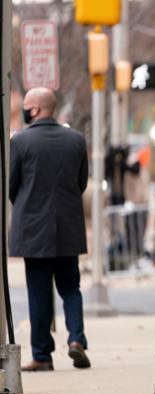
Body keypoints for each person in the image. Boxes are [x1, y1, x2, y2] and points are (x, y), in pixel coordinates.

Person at [10, 87, 91, 371]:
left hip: (34, 231)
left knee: (39, 293)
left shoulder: (20, 142)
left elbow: (12, 186)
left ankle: (42, 356)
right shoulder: (76, 140)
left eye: (27, 105)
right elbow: (81, 183)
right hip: (68, 228)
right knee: (71, 287)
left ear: (36, 109)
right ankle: (76, 340)